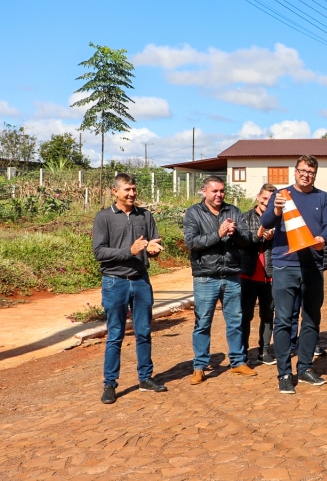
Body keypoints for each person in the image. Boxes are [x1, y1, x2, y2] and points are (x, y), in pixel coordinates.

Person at [260, 155, 327, 394]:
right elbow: (266, 222)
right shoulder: (281, 195)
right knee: (283, 320)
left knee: (312, 319)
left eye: (311, 172)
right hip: (285, 265)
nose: (306, 175)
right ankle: (284, 373)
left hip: (312, 265)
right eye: (302, 171)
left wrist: (322, 238)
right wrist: (276, 208)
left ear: (315, 174)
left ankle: (304, 367)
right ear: (295, 172)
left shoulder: (323, 197)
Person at [93, 173, 166, 404]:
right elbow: (99, 252)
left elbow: (154, 242)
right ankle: (110, 384)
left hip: (141, 280)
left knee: (143, 331)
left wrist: (154, 249)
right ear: (115, 191)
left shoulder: (145, 215)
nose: (132, 193)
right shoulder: (104, 217)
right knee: (115, 334)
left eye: (134, 189)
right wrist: (129, 251)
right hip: (115, 282)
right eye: (127, 189)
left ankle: (145, 378)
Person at [184, 175, 256, 384]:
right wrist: (218, 233)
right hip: (206, 276)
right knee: (203, 322)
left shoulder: (233, 211)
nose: (219, 195)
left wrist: (235, 233)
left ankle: (238, 362)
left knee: (235, 321)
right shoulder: (193, 213)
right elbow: (192, 243)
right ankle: (200, 366)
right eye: (214, 191)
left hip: (232, 274)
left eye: (222, 191)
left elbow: (247, 240)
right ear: (204, 191)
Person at [240, 183, 276, 365]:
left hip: (270, 274)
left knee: (268, 315)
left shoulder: (279, 219)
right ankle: (243, 352)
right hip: (248, 273)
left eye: (271, 200)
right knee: (245, 315)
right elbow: (242, 241)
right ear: (258, 197)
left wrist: (273, 238)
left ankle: (264, 350)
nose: (267, 203)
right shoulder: (245, 217)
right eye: (264, 198)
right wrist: (259, 234)